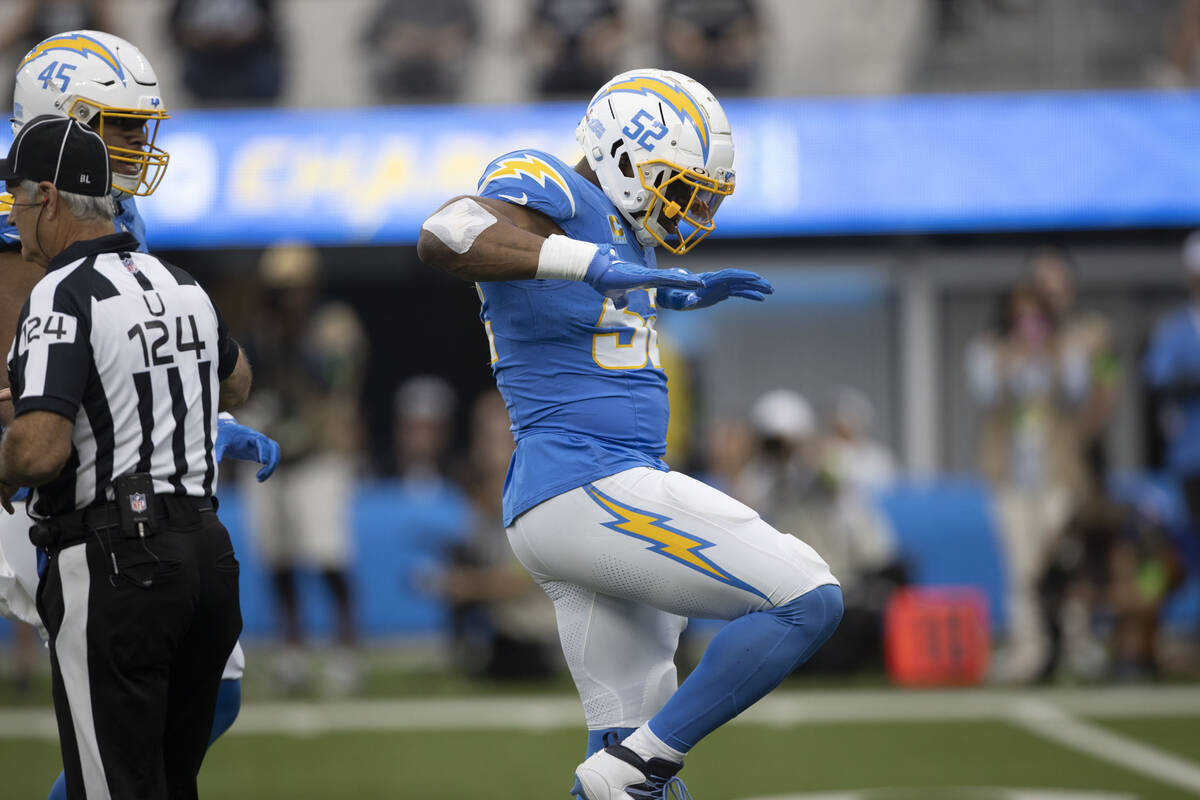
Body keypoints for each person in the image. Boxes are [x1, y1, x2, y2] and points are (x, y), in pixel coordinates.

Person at [418, 68, 842, 800]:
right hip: (586, 481)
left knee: (627, 760)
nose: (692, 209)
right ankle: (634, 766)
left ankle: (625, 769)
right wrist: (594, 265)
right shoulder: (551, 183)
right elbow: (448, 233)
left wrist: (633, 281)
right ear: (621, 154)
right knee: (808, 597)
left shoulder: (624, 238)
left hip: (586, 494)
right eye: (678, 185)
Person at [0, 30, 279, 800]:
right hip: (57, 489)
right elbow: (29, 391)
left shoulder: (111, 228)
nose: (136, 143)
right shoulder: (26, 215)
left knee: (164, 726)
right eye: (117, 124)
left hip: (134, 511)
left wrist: (190, 418)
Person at [242, 241, 367, 695]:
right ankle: (291, 650)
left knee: (327, 555)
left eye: (294, 287)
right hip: (272, 456)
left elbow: (335, 377)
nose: (288, 296)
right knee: (278, 558)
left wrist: (296, 341)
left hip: (321, 453)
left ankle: (345, 650)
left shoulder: (333, 324)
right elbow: (244, 387)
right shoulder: (261, 329)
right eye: (280, 288)